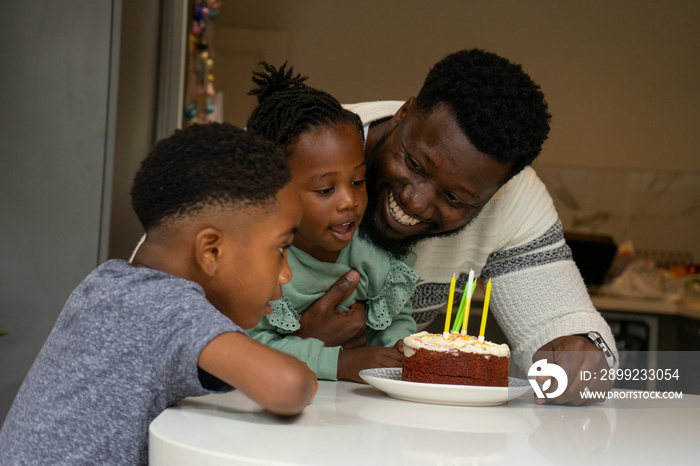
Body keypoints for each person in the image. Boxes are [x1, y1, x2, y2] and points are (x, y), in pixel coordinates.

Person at [297, 49, 618, 405]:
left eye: (454, 198)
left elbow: (563, 321)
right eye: (415, 164)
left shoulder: (513, 198)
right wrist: (299, 344)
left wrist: (581, 355)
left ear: (496, 192)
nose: (415, 202)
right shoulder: (296, 147)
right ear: (404, 113)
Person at [0, 123, 318, 465]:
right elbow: (287, 386)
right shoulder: (168, 306)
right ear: (211, 251)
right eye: (281, 248)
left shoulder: (106, 280)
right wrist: (307, 375)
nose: (286, 272)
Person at [245, 62, 421, 383]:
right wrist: (340, 362)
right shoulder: (256, 267)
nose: (349, 202)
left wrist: (398, 351)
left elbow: (397, 318)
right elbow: (246, 348)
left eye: (358, 181)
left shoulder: (373, 252)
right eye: (326, 189)